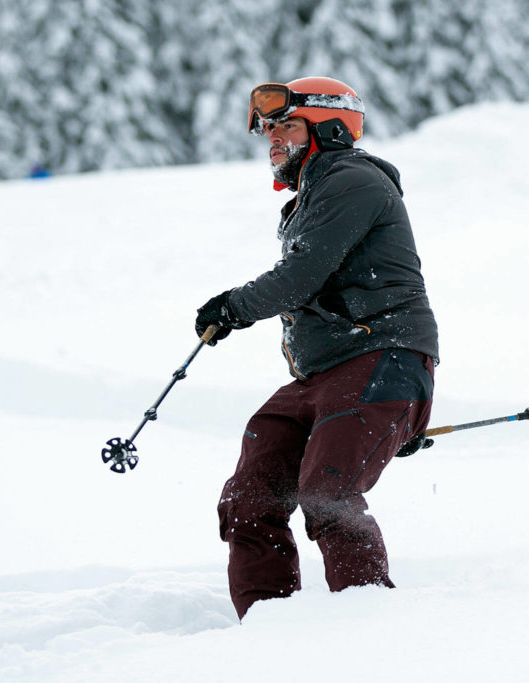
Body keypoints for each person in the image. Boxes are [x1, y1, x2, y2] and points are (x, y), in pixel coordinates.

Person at [195, 76, 439, 620]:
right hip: (323, 377)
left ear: (328, 127)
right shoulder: (310, 199)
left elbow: (300, 275)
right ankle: (268, 626)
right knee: (252, 496)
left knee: (326, 491)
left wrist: (233, 306)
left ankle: (366, 624)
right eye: (268, 130)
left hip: (384, 358)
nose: (273, 139)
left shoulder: (353, 180)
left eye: (285, 125)